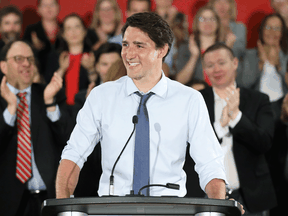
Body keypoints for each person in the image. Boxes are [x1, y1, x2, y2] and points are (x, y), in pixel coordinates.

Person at [55, 12, 230, 203]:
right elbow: (74, 155)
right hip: (113, 209)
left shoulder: (189, 100)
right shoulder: (101, 96)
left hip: (169, 209)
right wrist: (63, 204)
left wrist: (219, 207)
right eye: (125, 45)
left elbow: (210, 163)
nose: (129, 54)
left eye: (139, 46)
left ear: (162, 50)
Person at [200, 43, 277, 215]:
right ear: (204, 69)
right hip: (206, 198)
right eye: (210, 65)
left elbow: (264, 142)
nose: (216, 69)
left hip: (249, 197)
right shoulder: (197, 100)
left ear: (235, 63)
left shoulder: (258, 99)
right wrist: (220, 127)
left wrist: (236, 117)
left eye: (221, 62)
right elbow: (189, 147)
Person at [0, 40, 73, 216]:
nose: (26, 64)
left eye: (30, 59)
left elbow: (67, 139)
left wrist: (50, 103)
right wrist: (10, 110)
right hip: (9, 202)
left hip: (49, 199)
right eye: (19, 59)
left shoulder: (48, 92)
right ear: (3, 66)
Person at [45, 13, 94, 106]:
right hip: (61, 110)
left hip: (86, 108)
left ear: (84, 31)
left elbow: (99, 84)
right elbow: (48, 86)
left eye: (77, 27)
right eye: (69, 28)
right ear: (63, 34)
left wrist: (91, 69)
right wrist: (62, 69)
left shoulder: (92, 55)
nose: (73, 32)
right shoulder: (54, 57)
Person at [237, 14, 288, 102]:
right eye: (268, 27)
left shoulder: (286, 56)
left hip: (282, 109)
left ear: (282, 33)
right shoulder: (250, 55)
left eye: (277, 28)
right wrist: (260, 64)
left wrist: (279, 65)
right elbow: (243, 84)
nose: (272, 32)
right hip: (258, 108)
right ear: (262, 30)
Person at [175, 6, 221, 85]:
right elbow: (180, 81)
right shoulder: (186, 47)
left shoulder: (224, 48)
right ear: (197, 23)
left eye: (212, 19)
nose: (208, 22)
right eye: (203, 19)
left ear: (218, 23)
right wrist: (194, 56)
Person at [23, 0, 61, 75]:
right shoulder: (31, 31)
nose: (48, 8)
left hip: (63, 75)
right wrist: (33, 48)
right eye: (44, 5)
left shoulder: (65, 28)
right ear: (38, 9)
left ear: (58, 7)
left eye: (52, 4)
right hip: (39, 76)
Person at [0, 5, 22, 81]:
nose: (12, 28)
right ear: (0, 27)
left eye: (16, 23)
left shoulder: (30, 48)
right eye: (7, 23)